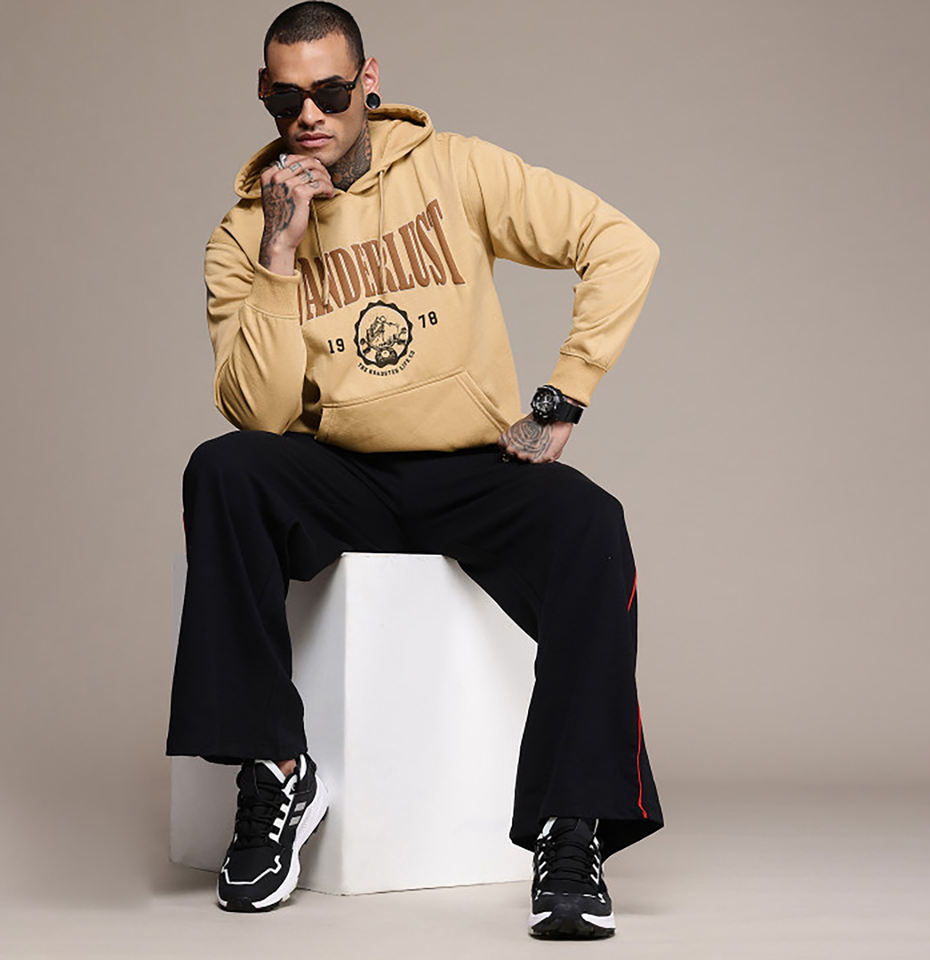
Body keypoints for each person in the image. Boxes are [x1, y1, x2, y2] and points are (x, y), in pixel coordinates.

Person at [165, 0, 664, 940]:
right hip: (338, 473)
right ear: (264, 95)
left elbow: (620, 245)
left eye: (330, 91)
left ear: (369, 80)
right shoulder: (242, 235)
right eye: (286, 98)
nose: (309, 114)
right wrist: (279, 251)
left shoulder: (456, 169)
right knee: (225, 470)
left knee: (592, 525)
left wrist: (564, 395)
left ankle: (570, 829)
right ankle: (276, 771)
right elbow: (259, 412)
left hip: (471, 470)